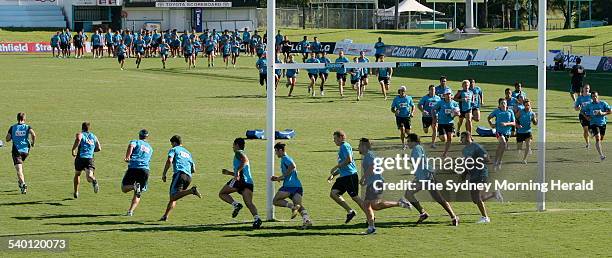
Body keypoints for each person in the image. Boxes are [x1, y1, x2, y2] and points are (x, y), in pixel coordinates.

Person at [402, 133, 459, 226]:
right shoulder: (418, 148)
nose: (407, 143)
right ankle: (424, 213)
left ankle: (453, 217)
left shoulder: (416, 148)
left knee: (437, 198)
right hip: (423, 177)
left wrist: (406, 158)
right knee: (409, 194)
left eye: (408, 141)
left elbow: (418, 161)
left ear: (414, 141)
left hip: (426, 177)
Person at [359, 138, 411, 234]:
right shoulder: (368, 155)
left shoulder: (369, 155)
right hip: (373, 183)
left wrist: (363, 178)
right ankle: (371, 227)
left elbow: (373, 167)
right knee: (367, 205)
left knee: (375, 206)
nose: (358, 148)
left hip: (376, 183)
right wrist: (366, 181)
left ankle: (400, 203)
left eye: (359, 146)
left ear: (364, 146)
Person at [219, 138, 263, 229]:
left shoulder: (238, 153)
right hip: (248, 182)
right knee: (249, 203)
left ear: (237, 145)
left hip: (240, 181)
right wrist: (230, 173)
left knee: (222, 193)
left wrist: (238, 171)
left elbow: (245, 160)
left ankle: (236, 205)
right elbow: (243, 167)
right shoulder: (241, 153)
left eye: (233, 145)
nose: (232, 147)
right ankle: (257, 219)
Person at [270, 142, 312, 229]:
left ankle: (292, 207)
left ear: (280, 150)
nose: (275, 153)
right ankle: (307, 221)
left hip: (289, 186)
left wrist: (283, 176)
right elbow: (289, 172)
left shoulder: (285, 158)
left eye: (276, 151)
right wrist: (278, 178)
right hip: (298, 186)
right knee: (299, 205)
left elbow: (292, 166)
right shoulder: (288, 158)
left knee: (275, 201)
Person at [160, 135, 201, 221]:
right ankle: (165, 216)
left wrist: (164, 173)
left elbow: (169, 161)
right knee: (176, 196)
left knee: (173, 196)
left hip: (180, 174)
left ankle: (191, 191)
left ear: (174, 142)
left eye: (172, 144)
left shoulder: (174, 149)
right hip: (188, 176)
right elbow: (193, 169)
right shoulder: (188, 153)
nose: (171, 145)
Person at [327, 131, 364, 224]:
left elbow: (349, 160)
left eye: (335, 138)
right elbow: (344, 165)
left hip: (350, 176)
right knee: (334, 193)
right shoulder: (342, 147)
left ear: (341, 138)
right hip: (344, 177)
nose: (334, 140)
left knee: (355, 198)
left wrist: (336, 166)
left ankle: (371, 216)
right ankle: (350, 211)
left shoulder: (345, 146)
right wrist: (334, 174)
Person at [460, 132, 496, 224]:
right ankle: (494, 194)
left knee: (477, 196)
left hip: (481, 173)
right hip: (473, 175)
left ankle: (485, 217)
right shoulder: (464, 150)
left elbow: (487, 159)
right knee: (475, 199)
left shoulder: (477, 147)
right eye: (461, 137)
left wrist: (475, 162)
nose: (461, 139)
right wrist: (464, 173)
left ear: (469, 137)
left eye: (463, 137)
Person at [121, 129, 153, 217]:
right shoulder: (150, 148)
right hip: (145, 170)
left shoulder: (136, 142)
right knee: (138, 193)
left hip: (134, 167)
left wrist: (127, 157)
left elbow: (131, 146)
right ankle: (130, 211)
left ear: (139, 135)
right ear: (147, 137)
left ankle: (134, 186)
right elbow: (148, 159)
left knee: (124, 188)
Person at [5, 112, 36, 194]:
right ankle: (20, 181)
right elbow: (34, 134)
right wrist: (33, 143)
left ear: (17, 118)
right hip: (26, 151)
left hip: (16, 151)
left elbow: (7, 139)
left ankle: (23, 184)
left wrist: (13, 136)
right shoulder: (27, 127)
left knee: (19, 170)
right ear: (24, 118)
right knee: (20, 167)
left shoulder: (13, 128)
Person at [71, 122, 101, 198]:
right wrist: (90, 150)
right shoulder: (94, 136)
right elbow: (99, 148)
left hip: (80, 158)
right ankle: (94, 180)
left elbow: (78, 139)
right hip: (90, 159)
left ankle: (76, 192)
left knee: (77, 174)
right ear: (89, 128)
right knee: (89, 177)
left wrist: (73, 149)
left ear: (82, 128)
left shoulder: (80, 134)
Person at [488, 98, 516, 170]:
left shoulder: (510, 111)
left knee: (501, 147)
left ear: (507, 104)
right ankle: (498, 162)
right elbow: (489, 117)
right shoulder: (497, 111)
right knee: (503, 143)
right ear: (499, 105)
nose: (503, 104)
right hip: (499, 132)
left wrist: (506, 124)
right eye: (502, 103)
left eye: (504, 103)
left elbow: (514, 123)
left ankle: (497, 161)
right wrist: (491, 124)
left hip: (507, 132)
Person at [583, 91, 610, 161]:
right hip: (593, 123)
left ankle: (592, 134)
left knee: (600, 139)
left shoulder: (603, 103)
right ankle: (601, 155)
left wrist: (602, 113)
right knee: (597, 138)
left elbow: (610, 111)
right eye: (593, 96)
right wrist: (586, 117)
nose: (594, 98)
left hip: (602, 124)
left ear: (598, 96)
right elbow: (582, 111)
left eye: (595, 96)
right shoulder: (589, 105)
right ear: (591, 97)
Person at [433, 89, 460, 157]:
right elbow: (433, 109)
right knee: (443, 139)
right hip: (441, 123)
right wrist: (434, 118)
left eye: (449, 94)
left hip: (450, 122)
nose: (448, 95)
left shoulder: (454, 103)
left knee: (449, 138)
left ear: (451, 95)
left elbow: (458, 113)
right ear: (444, 95)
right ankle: (440, 135)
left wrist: (456, 113)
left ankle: (445, 153)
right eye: (446, 94)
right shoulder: (440, 103)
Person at [574, 84, 593, 148]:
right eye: (585, 88)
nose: (587, 89)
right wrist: (578, 108)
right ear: (583, 89)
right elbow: (576, 108)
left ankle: (592, 132)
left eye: (588, 88)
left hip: (591, 115)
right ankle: (588, 143)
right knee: (585, 130)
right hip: (583, 115)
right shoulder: (580, 98)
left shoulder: (592, 96)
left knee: (592, 129)